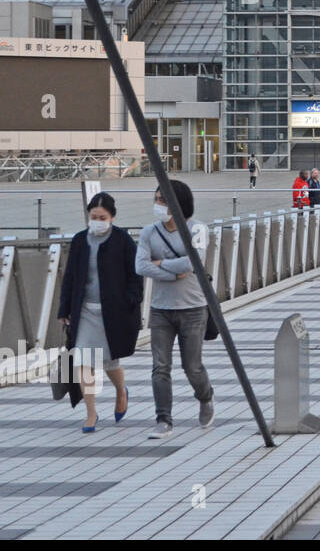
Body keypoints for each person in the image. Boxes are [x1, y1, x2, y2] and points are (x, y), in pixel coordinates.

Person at [56, 192, 143, 432]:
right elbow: (70, 277)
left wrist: (132, 300)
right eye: (93, 216)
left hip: (112, 312)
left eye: (102, 217)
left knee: (109, 361)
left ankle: (120, 391)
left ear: (112, 217)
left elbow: (134, 275)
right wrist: (64, 309)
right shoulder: (80, 240)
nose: (97, 220)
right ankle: (91, 413)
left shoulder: (123, 240)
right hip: (83, 311)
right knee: (83, 359)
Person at [136, 181, 214, 439]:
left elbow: (194, 261)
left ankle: (205, 396)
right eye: (157, 198)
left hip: (193, 307)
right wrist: (171, 274)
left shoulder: (198, 229)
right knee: (160, 366)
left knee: (192, 366)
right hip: (160, 308)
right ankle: (163, 419)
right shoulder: (149, 232)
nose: (159, 204)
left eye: (164, 200)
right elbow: (141, 266)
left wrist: (161, 264)